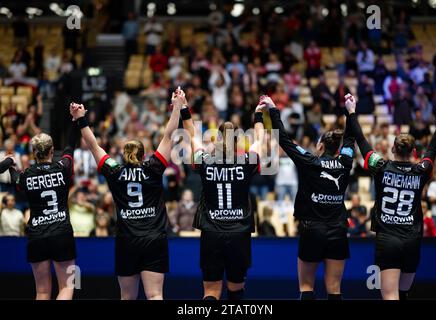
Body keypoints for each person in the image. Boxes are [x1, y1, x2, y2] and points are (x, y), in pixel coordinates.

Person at [69, 89, 182, 300]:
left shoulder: (115, 171)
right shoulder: (153, 168)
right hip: (153, 238)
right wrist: (176, 107)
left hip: (127, 240)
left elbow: (93, 146)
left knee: (127, 297)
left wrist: (81, 119)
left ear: (123, 155)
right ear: (144, 154)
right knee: (155, 295)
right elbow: (169, 135)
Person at [344, 93, 436, 300]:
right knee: (404, 293)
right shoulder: (421, 170)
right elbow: (433, 150)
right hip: (412, 239)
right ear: (414, 152)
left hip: (387, 239)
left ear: (392, 149)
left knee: (390, 296)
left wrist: (352, 111)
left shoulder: (380, 166)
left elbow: (361, 140)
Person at [265, 95, 355, 300]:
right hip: (337, 230)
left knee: (306, 287)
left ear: (320, 145)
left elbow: (284, 141)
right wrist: (350, 111)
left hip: (312, 230)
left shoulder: (310, 161)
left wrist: (273, 110)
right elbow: (350, 139)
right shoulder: (345, 161)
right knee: (334, 289)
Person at [181, 88, 263, 300]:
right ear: (237, 141)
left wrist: (183, 108)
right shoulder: (247, 161)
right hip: (239, 233)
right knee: (236, 290)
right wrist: (259, 115)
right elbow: (260, 140)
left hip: (212, 233)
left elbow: (191, 134)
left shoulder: (205, 162)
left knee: (210, 292)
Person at [7, 118, 80, 300]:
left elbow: (16, 177)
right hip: (62, 233)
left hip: (37, 236)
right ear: (52, 151)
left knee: (42, 292)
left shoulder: (26, 176)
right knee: (68, 286)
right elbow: (70, 146)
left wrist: (11, 166)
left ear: (33, 153)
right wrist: (76, 121)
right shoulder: (63, 168)